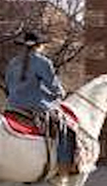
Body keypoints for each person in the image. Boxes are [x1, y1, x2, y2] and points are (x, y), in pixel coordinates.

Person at [5, 30, 74, 170]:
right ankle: (63, 165)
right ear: (39, 46)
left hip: (12, 105)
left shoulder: (13, 62)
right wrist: (60, 93)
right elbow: (52, 85)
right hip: (35, 106)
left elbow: (8, 83)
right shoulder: (42, 62)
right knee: (66, 127)